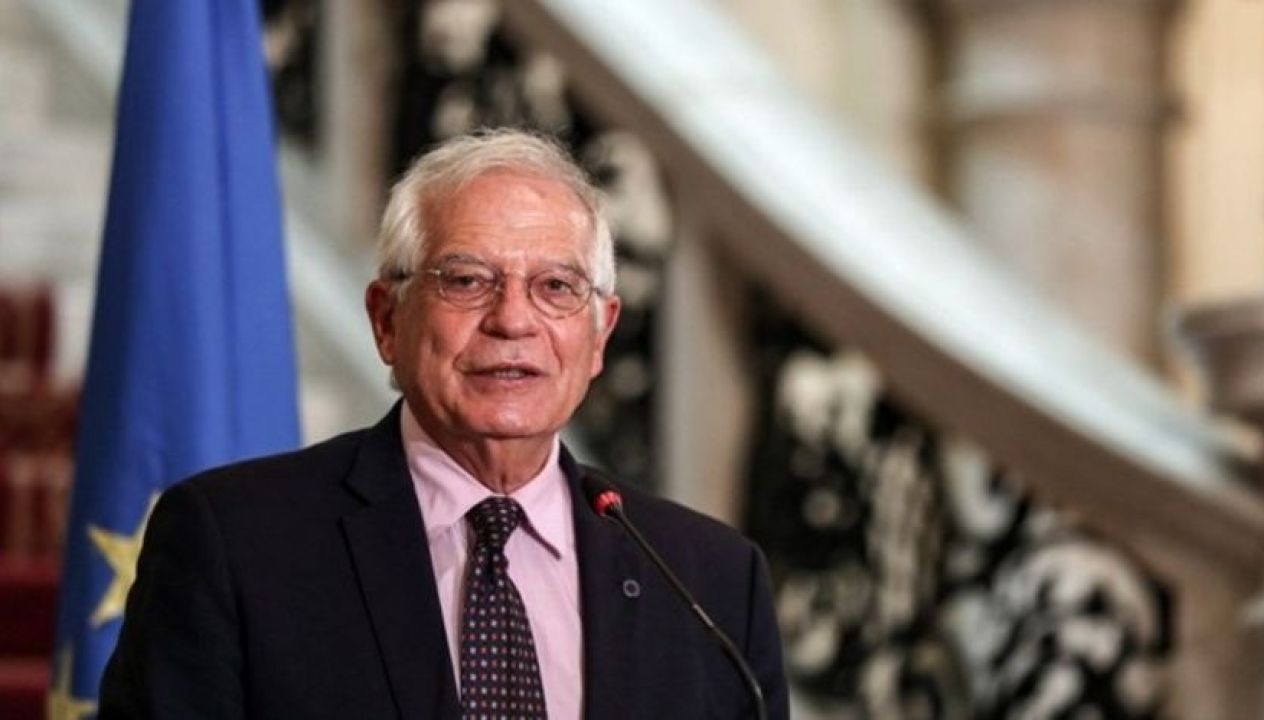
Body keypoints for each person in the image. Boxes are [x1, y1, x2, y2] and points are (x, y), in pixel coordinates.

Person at [100, 128, 789, 719]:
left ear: (600, 334)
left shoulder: (713, 581)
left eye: (555, 287)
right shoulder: (236, 543)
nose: (512, 321)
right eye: (466, 280)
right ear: (386, 319)